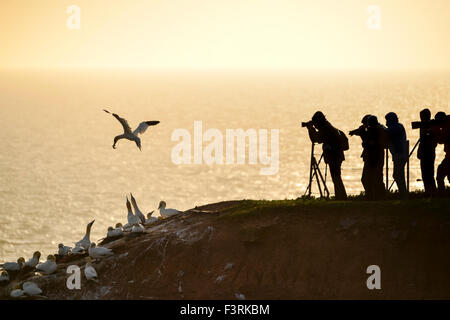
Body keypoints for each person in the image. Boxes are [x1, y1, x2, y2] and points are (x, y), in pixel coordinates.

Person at [306, 111, 347, 200]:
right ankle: (341, 196)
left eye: (315, 123)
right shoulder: (327, 127)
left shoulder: (325, 128)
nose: (315, 125)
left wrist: (310, 129)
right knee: (336, 177)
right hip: (336, 155)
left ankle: (341, 197)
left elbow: (316, 139)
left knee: (336, 177)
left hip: (334, 156)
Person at [385, 112, 408, 199]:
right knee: (398, 175)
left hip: (400, 154)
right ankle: (403, 194)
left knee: (398, 175)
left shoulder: (397, 127)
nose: (386, 122)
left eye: (387, 120)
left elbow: (387, 132)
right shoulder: (398, 126)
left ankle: (403, 194)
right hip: (398, 155)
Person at [417, 108, 437, 195]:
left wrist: (427, 133)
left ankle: (432, 192)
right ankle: (428, 192)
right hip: (425, 152)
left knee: (429, 174)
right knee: (425, 174)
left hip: (429, 153)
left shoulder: (431, 126)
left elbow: (432, 141)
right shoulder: (423, 126)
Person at [435, 112, 450, 194]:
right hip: (448, 155)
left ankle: (442, 193)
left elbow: (442, 139)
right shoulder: (447, 124)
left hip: (449, 157)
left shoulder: (447, 126)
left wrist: (436, 130)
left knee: (440, 174)